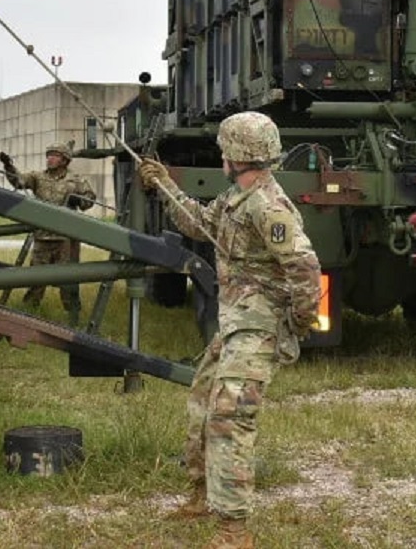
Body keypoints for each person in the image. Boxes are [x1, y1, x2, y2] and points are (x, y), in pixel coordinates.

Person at [138, 111, 321, 549]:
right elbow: (199, 223)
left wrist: (296, 324)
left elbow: (304, 267)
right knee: (203, 403)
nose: (221, 157)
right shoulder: (237, 197)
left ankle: (233, 531)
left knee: (230, 417)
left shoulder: (267, 206)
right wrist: (164, 184)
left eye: (224, 150)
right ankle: (201, 497)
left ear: (235, 155)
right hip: (236, 323)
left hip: (258, 327)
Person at [0, 143, 96, 326]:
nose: (49, 158)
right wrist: (8, 166)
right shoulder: (37, 177)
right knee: (36, 279)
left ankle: (74, 320)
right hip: (42, 238)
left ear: (64, 160)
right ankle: (28, 316)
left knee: (68, 280)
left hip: (66, 240)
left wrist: (80, 199)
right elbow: (19, 181)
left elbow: (90, 198)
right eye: (48, 155)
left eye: (54, 155)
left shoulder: (75, 180)